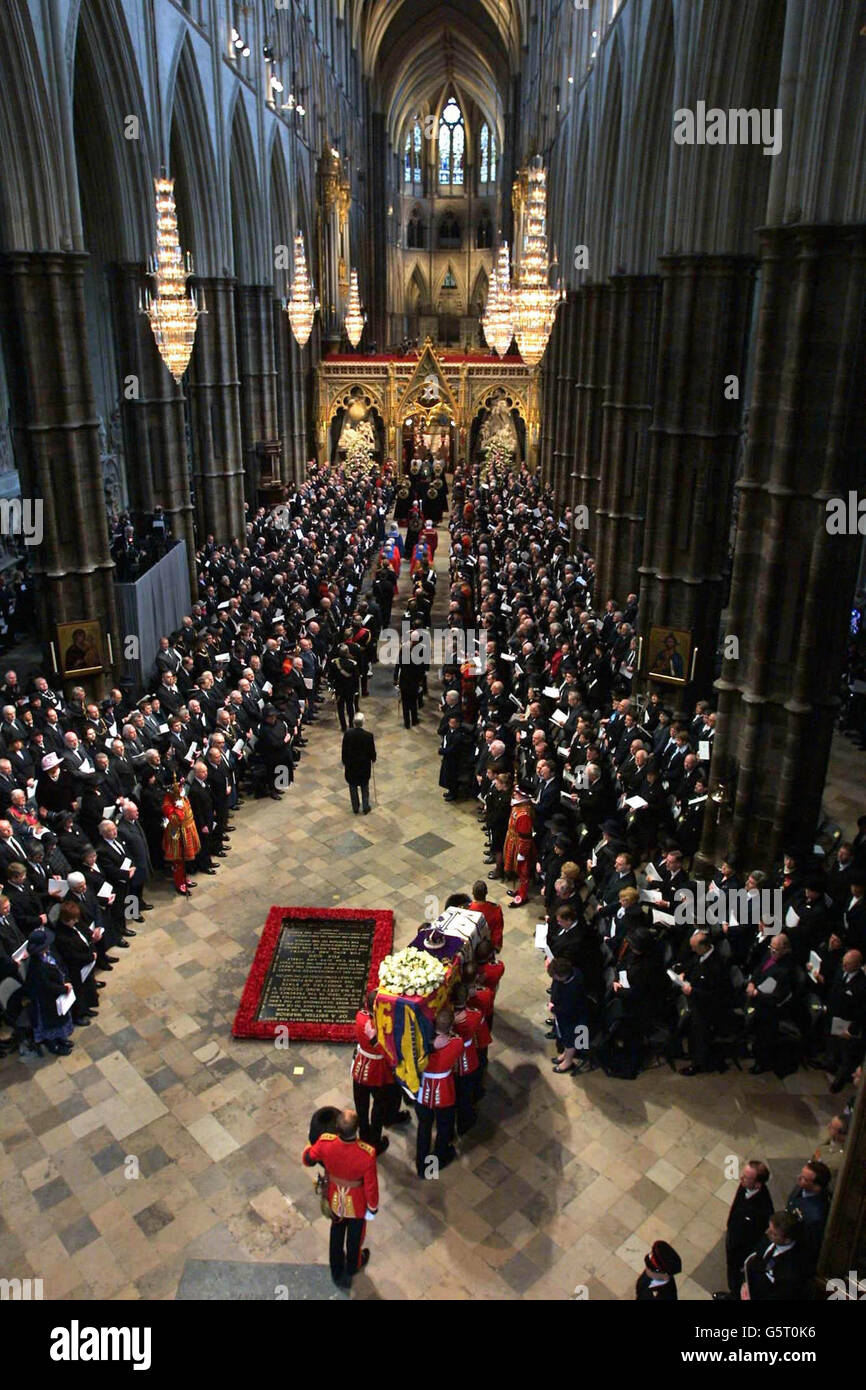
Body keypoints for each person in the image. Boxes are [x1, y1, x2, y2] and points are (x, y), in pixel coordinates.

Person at [302, 1108, 378, 1289]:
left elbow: (307, 1159)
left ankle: (336, 1270)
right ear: (356, 1129)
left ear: (337, 1128)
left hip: (335, 1196)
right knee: (355, 1236)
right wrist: (372, 1207)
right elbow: (371, 1186)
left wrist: (309, 1142)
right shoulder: (367, 1154)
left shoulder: (325, 1143)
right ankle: (353, 1265)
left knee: (336, 1231)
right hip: (357, 1203)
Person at [713, 1159, 774, 1300]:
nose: (741, 1178)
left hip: (743, 1251)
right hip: (734, 1240)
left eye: (746, 1177)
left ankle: (733, 1296)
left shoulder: (762, 1208)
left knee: (738, 1279)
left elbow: (759, 1237)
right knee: (731, 1271)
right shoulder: (744, 1186)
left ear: (758, 1183)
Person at [415, 1007, 462, 1179]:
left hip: (424, 1089)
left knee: (424, 1128)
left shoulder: (422, 1043)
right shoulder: (456, 1043)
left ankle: (422, 1167)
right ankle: (438, 1159)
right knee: (443, 1126)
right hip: (444, 1089)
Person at [350, 990, 393, 1153]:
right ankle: (374, 1141)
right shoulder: (382, 1025)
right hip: (376, 1069)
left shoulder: (360, 1016)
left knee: (361, 1105)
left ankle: (364, 1134)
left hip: (361, 1064)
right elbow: (386, 1051)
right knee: (379, 1105)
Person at [742, 1211, 809, 1300]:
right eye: (769, 1228)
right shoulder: (770, 1238)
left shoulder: (790, 1272)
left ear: (787, 1240)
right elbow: (757, 1256)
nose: (766, 1232)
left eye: (774, 1234)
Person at [162, 777, 200, 895]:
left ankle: (184, 878)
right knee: (178, 861)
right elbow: (176, 820)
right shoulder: (168, 804)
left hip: (188, 829)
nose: (181, 789)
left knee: (185, 860)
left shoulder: (182, 796)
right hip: (177, 834)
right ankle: (179, 883)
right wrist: (178, 809)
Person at [341, 711, 376, 816]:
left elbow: (344, 750)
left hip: (351, 766)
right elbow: (372, 751)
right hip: (364, 767)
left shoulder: (347, 734)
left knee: (353, 787)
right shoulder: (368, 736)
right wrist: (373, 758)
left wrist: (344, 761)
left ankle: (355, 807)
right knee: (365, 787)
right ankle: (365, 807)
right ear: (363, 722)